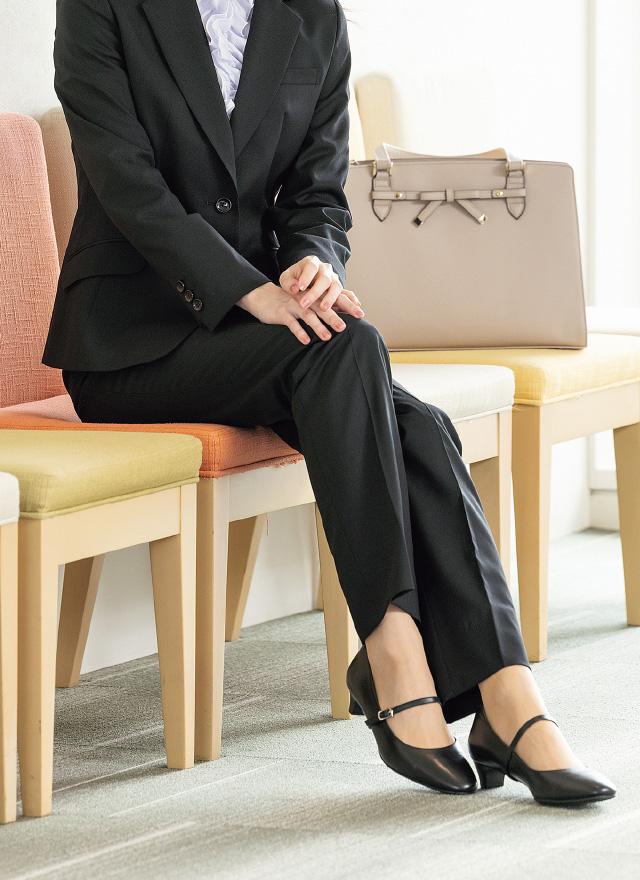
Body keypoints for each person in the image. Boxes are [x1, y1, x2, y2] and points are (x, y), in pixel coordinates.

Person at [43, 0, 615, 806]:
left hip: (262, 338)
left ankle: (501, 686)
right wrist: (248, 291)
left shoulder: (312, 13)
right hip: (129, 345)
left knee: (413, 416)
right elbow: (124, 181)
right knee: (356, 353)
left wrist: (314, 263)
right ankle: (407, 657)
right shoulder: (100, 5)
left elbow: (317, 190)